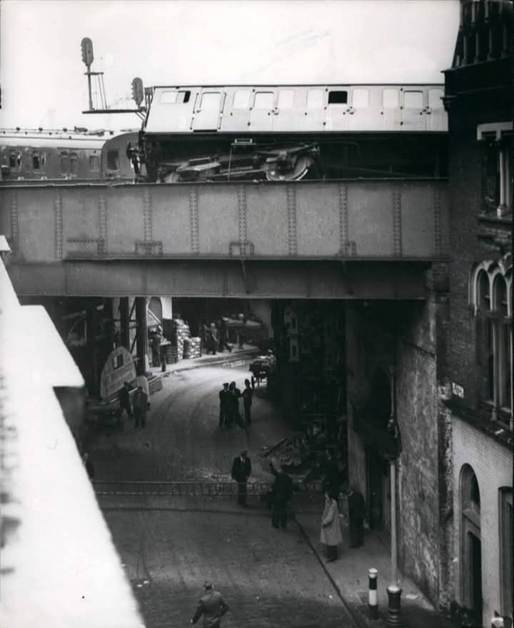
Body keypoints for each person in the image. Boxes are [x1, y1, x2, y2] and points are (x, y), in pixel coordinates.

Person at [269, 461, 294, 529]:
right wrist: (289, 498)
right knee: (283, 511)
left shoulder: (279, 476)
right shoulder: (289, 479)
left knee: (276, 510)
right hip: (284, 498)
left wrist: (271, 466)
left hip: (277, 496)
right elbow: (290, 490)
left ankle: (275, 524)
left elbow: (274, 486)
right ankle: (283, 524)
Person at [320, 491, 343, 562]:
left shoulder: (332, 504)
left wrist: (324, 522)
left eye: (326, 495)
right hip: (330, 525)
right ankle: (331, 555)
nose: (325, 496)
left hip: (331, 525)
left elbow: (330, 516)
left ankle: (332, 556)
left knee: (331, 541)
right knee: (330, 540)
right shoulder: (329, 502)